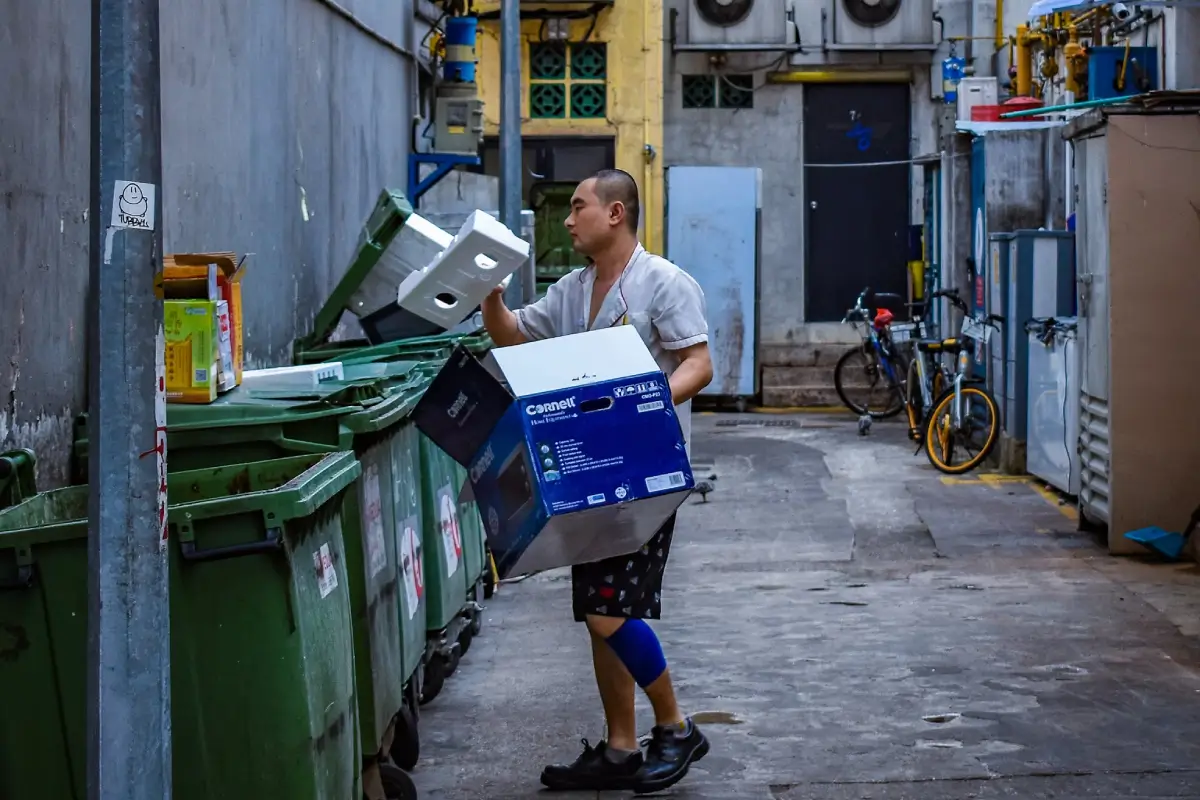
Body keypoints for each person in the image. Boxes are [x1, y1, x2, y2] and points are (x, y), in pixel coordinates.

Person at [481, 168, 715, 794]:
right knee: (598, 609)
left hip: (647, 473)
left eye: (578, 206)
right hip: (591, 473)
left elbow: (699, 363)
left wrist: (642, 407)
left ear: (615, 213)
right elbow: (515, 339)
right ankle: (619, 748)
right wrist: (489, 299)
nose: (567, 217)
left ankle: (675, 726)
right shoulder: (572, 291)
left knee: (610, 609)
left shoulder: (663, 283)